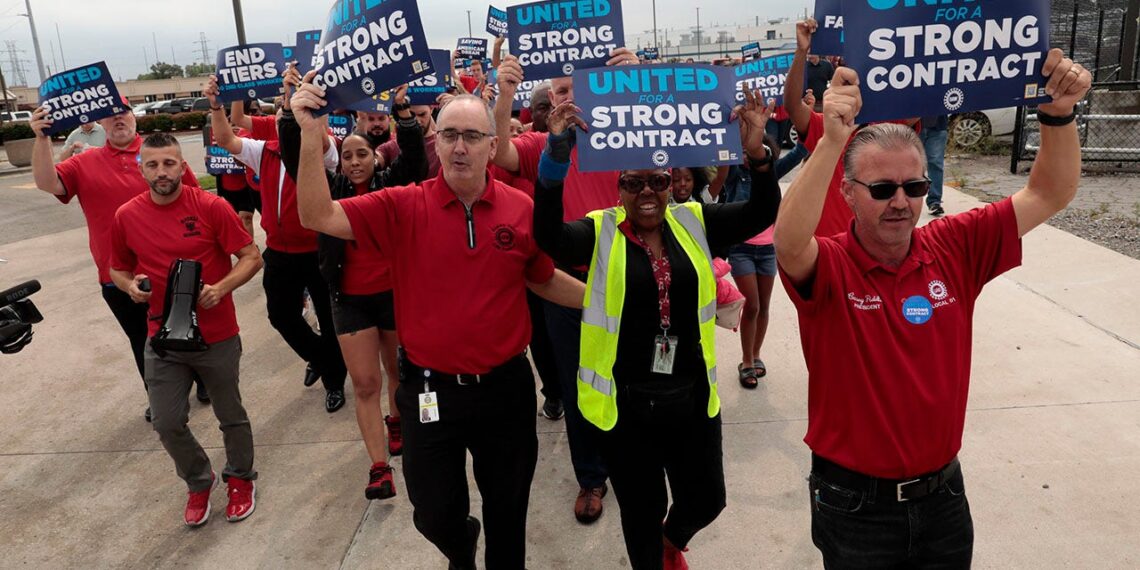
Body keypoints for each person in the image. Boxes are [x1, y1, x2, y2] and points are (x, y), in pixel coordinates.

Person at [774, 53, 1090, 567]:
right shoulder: (830, 264)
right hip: (855, 505)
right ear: (847, 194)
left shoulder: (955, 245)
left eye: (915, 187)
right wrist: (831, 141)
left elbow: (1050, 192)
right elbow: (788, 242)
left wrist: (1058, 114)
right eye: (882, 190)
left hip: (944, 496)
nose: (900, 202)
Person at [292, 77, 587, 569]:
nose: (459, 147)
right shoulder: (402, 204)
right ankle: (460, 544)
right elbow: (316, 215)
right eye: (449, 135)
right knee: (433, 514)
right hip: (429, 391)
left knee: (508, 513)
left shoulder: (521, 209)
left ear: (492, 145)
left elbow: (541, 278)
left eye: (471, 136)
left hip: (505, 391)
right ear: (438, 142)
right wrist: (308, 134)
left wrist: (607, 303)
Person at [533, 89, 781, 570]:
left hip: (692, 398)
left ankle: (673, 540)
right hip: (626, 408)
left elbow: (760, 213)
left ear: (672, 184)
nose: (647, 191)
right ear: (618, 189)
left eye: (659, 180)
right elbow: (548, 237)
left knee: (708, 499)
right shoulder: (600, 230)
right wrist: (556, 155)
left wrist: (756, 152)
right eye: (633, 183)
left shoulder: (695, 221)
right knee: (641, 516)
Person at [493, 47, 640, 524]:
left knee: (633, 378)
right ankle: (591, 476)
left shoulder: (626, 131)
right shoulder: (542, 143)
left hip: (629, 276)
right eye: (560, 91)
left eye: (578, 89)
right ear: (551, 99)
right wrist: (505, 94)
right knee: (581, 387)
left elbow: (680, 149)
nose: (569, 98)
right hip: (566, 285)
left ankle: (635, 464)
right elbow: (500, 152)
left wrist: (637, 83)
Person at [277, 84, 428, 500]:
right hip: (349, 301)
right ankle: (379, 468)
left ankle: (396, 422)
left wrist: (402, 111)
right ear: (339, 163)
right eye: (347, 156)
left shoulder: (391, 185)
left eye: (362, 154)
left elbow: (416, 160)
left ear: (375, 157)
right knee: (364, 384)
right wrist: (292, 117)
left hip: (394, 295)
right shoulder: (330, 190)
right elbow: (295, 161)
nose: (355, 161)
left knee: (397, 373)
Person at [108, 133, 263, 526]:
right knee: (166, 421)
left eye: (169, 163)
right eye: (153, 164)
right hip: (162, 338)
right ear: (142, 170)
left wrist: (222, 288)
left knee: (230, 415)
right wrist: (129, 286)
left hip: (216, 334)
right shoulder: (126, 215)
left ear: (182, 166)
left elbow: (251, 256)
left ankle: (240, 478)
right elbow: (117, 267)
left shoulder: (211, 207)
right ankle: (198, 480)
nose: (161, 172)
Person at [29, 100, 207, 422]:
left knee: (186, 328)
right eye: (109, 114)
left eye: (123, 112)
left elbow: (196, 201)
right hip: (117, 275)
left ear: (133, 117)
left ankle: (203, 379)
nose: (118, 118)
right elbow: (46, 182)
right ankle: (158, 396)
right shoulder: (84, 163)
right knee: (143, 341)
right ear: (101, 122)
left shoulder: (159, 156)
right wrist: (42, 138)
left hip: (172, 270)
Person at [205, 69, 350, 413]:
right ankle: (322, 359)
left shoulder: (325, 150)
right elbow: (226, 139)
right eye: (285, 109)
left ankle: (334, 382)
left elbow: (322, 139)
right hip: (281, 253)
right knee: (281, 316)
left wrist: (310, 105)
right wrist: (216, 105)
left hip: (318, 251)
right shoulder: (266, 151)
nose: (289, 115)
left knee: (330, 321)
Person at [377, 104, 440, 178]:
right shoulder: (390, 147)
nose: (417, 121)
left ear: (431, 109)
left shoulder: (443, 143)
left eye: (422, 114)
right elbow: (373, 161)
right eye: (410, 117)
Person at [921, 115, 949, 216]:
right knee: (909, 164)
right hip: (913, 124)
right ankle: (906, 197)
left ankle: (934, 202)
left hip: (938, 124)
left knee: (936, 164)